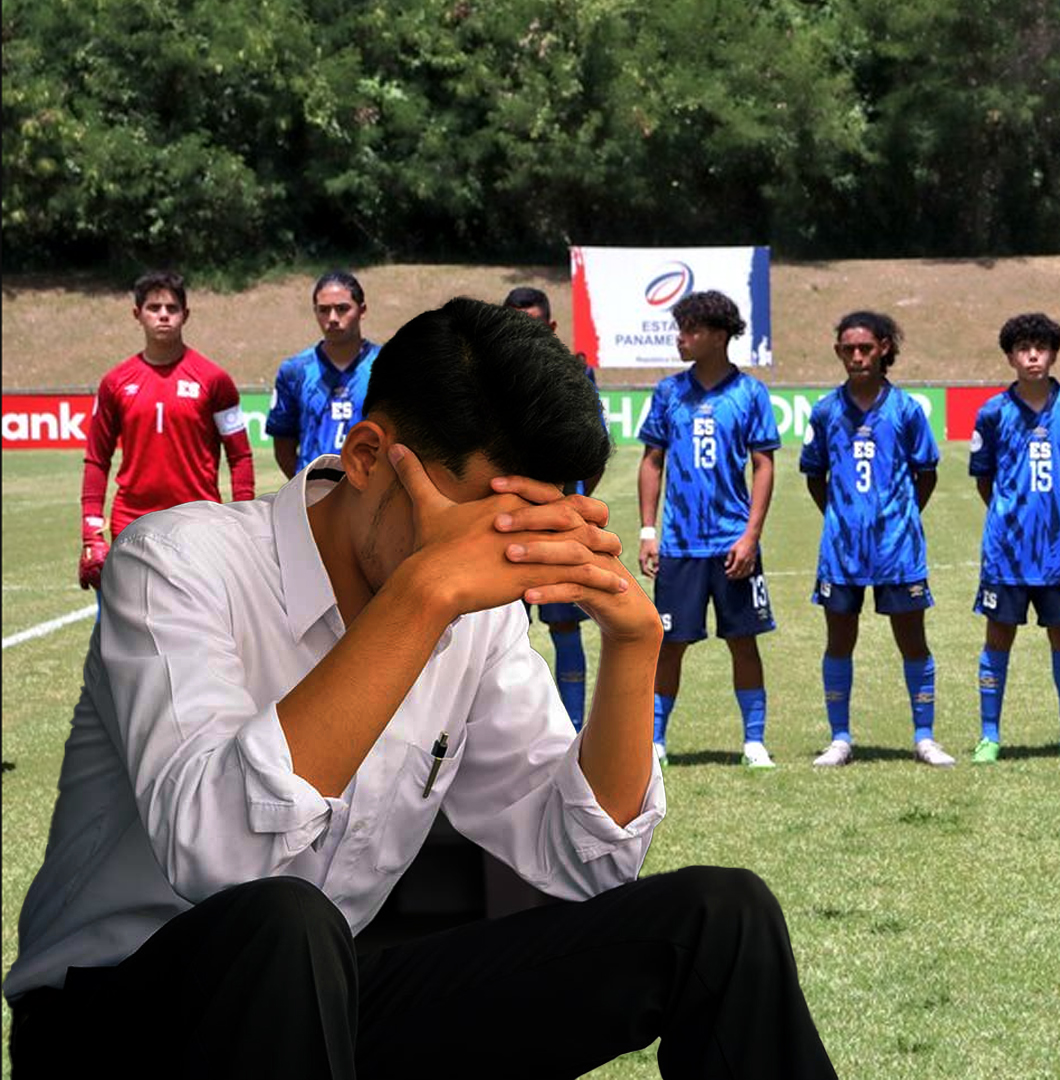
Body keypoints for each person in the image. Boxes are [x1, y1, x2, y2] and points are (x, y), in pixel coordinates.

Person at [6, 299, 835, 1078]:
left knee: (720, 918)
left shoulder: (476, 613)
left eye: (537, 525)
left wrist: (632, 646)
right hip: (111, 1016)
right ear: (367, 458)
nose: (508, 559)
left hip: (332, 1000)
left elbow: (583, 866)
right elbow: (220, 855)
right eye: (489, 523)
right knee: (287, 924)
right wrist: (420, 597)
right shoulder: (179, 561)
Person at [801, 311, 952, 767]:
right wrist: (842, 517)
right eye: (848, 349)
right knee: (839, 641)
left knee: (913, 640)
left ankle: (924, 737)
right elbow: (814, 476)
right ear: (838, 353)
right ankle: (840, 738)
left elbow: (927, 473)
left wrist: (899, 516)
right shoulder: (826, 410)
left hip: (898, 549)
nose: (857, 356)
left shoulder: (906, 409)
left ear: (884, 348)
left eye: (865, 348)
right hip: (841, 551)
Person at [639, 290, 782, 768]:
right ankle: (655, 741)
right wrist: (647, 531)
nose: (680, 338)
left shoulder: (750, 394)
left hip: (732, 543)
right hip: (679, 543)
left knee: (743, 639)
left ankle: (754, 741)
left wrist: (751, 536)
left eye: (691, 330)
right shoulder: (668, 392)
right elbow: (651, 461)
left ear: (719, 336)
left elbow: (764, 465)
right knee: (670, 643)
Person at [967, 313, 1060, 764]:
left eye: (1040, 348)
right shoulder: (992, 413)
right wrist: (1013, 515)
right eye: (1023, 348)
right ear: (1010, 356)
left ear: (1053, 354)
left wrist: (1056, 514)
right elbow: (985, 480)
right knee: (997, 639)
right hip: (1005, 552)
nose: (1032, 356)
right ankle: (990, 736)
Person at [79, 270, 254, 591]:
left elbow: (240, 456)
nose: (163, 315)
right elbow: (96, 459)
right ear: (137, 314)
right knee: (127, 634)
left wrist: (243, 519)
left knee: (199, 633)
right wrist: (91, 529)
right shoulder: (115, 383)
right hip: (131, 524)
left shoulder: (215, 380)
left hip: (199, 524)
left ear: (185, 315)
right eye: (154, 308)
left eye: (172, 308)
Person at [504, 285, 606, 728]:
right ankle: (509, 730)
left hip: (559, 524)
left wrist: (570, 497)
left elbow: (594, 451)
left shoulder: (576, 376)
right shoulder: (486, 377)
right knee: (503, 633)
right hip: (501, 523)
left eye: (533, 325)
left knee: (566, 625)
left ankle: (573, 726)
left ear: (550, 327)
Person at [266, 269, 382, 478]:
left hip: (375, 501)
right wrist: (308, 487)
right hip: (314, 500)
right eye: (324, 310)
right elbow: (283, 446)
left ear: (362, 310)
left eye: (342, 309)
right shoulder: (294, 371)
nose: (333, 318)